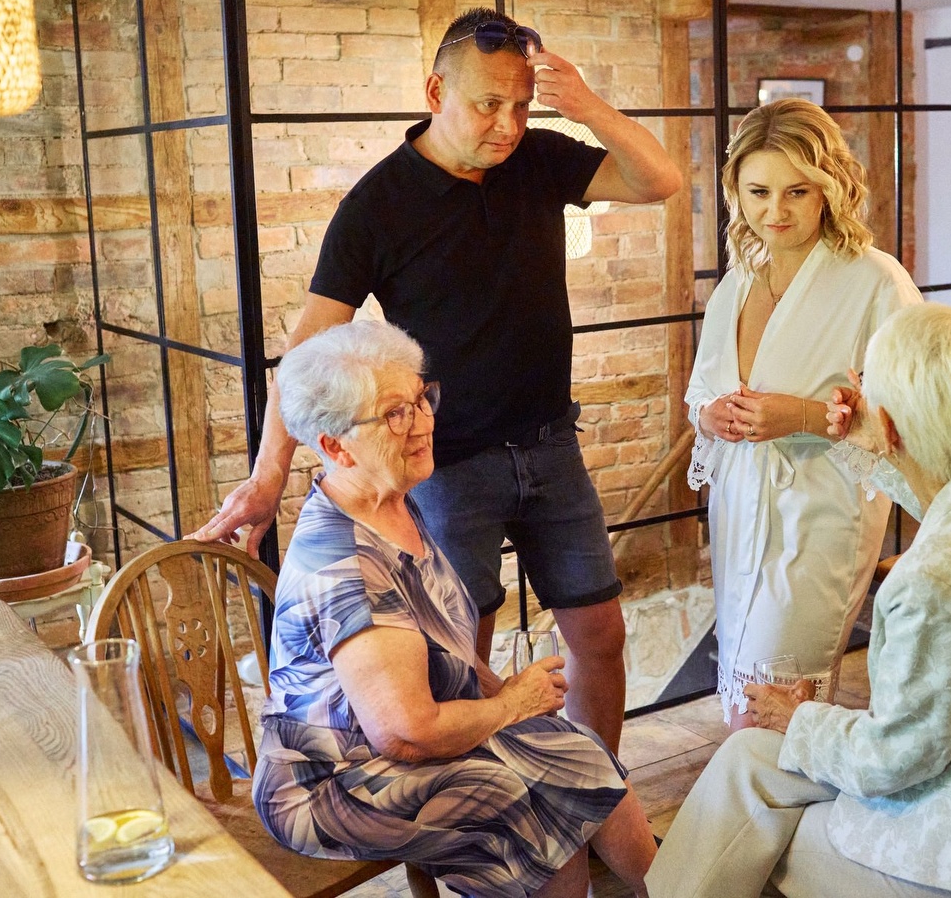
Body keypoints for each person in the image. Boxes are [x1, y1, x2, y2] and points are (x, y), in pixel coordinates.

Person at [195, 7, 681, 754]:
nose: (508, 125)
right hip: (447, 465)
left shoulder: (539, 158)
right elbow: (308, 352)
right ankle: (488, 805)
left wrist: (585, 107)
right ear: (435, 92)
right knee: (461, 662)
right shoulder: (377, 205)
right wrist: (267, 479)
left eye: (521, 105)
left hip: (551, 446)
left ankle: (593, 789)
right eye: (488, 104)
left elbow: (661, 180)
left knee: (600, 635)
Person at [648, 303, 951, 898]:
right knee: (748, 762)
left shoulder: (934, 582)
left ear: (890, 428)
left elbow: (893, 757)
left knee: (751, 811)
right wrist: (861, 430)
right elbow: (930, 482)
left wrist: (798, 718)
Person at [253, 320, 657, 898]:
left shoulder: (393, 499)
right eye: (395, 414)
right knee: (525, 810)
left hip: (395, 743)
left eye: (422, 399)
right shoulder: (345, 565)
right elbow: (407, 734)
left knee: (577, 752)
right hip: (335, 781)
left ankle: (677, 888)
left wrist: (501, 693)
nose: (423, 423)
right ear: (336, 446)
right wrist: (511, 705)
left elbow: (442, 641)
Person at [685, 97, 920, 728]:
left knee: (776, 706)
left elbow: (918, 418)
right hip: (740, 511)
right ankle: (780, 791)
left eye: (797, 191)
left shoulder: (875, 282)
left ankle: (787, 788)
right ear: (735, 191)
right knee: (746, 703)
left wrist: (806, 417)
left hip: (821, 518)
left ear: (828, 189)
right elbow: (701, 392)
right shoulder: (738, 281)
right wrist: (712, 417)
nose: (775, 212)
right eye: (758, 192)